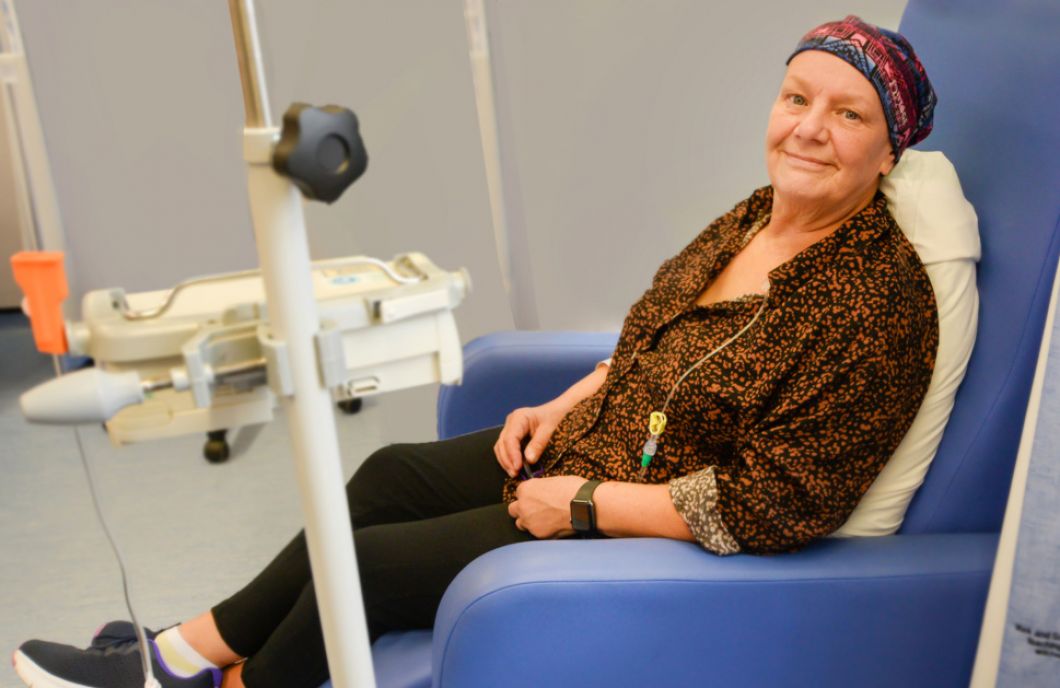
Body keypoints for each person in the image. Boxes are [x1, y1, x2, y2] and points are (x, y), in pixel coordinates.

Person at [13, 15, 939, 688]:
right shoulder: (757, 215)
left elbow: (778, 505)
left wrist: (584, 505)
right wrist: (561, 405)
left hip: (648, 516)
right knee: (386, 475)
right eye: (796, 98)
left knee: (371, 568)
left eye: (848, 115)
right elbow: (655, 346)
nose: (808, 128)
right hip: (598, 444)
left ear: (889, 151)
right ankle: (179, 656)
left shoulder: (879, 305)